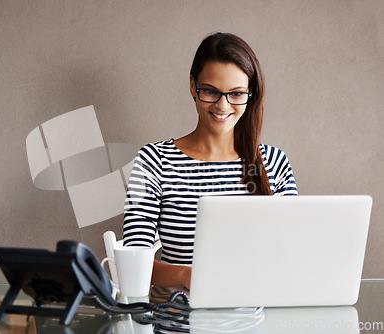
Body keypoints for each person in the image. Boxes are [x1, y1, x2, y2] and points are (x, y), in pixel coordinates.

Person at [122, 32, 298, 289]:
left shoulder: (274, 162)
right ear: (193, 86)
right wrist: (188, 277)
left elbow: (291, 254)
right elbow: (133, 264)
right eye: (210, 91)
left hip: (254, 324)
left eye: (236, 94)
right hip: (179, 325)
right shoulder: (154, 161)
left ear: (251, 94)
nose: (223, 106)